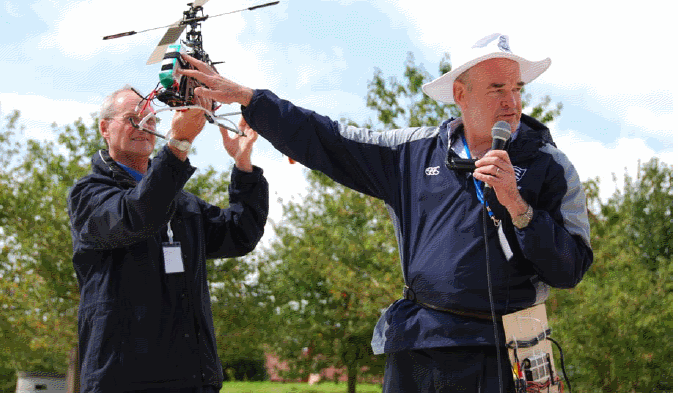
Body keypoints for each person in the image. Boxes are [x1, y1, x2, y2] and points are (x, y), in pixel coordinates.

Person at [177, 34, 593, 392]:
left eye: (517, 88)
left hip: (503, 352)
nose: (511, 101)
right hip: (419, 345)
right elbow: (330, 140)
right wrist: (251, 101)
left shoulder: (550, 165)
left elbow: (570, 269)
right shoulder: (412, 151)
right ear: (461, 95)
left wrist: (519, 207)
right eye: (497, 88)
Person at [67, 86, 269, 392]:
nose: (145, 126)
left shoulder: (180, 200)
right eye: (133, 118)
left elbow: (239, 234)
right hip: (125, 380)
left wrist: (243, 165)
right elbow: (136, 214)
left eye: (151, 119)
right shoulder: (89, 195)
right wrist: (179, 144)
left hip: (192, 378)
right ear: (105, 128)